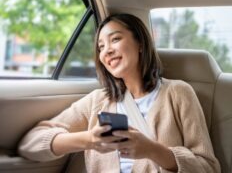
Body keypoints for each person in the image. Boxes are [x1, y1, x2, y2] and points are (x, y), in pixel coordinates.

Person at [18, 13, 221, 173]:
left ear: (140, 43)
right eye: (101, 47)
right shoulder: (98, 101)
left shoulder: (178, 93)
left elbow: (208, 167)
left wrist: (151, 150)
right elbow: (31, 143)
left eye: (115, 39)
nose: (106, 51)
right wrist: (89, 140)